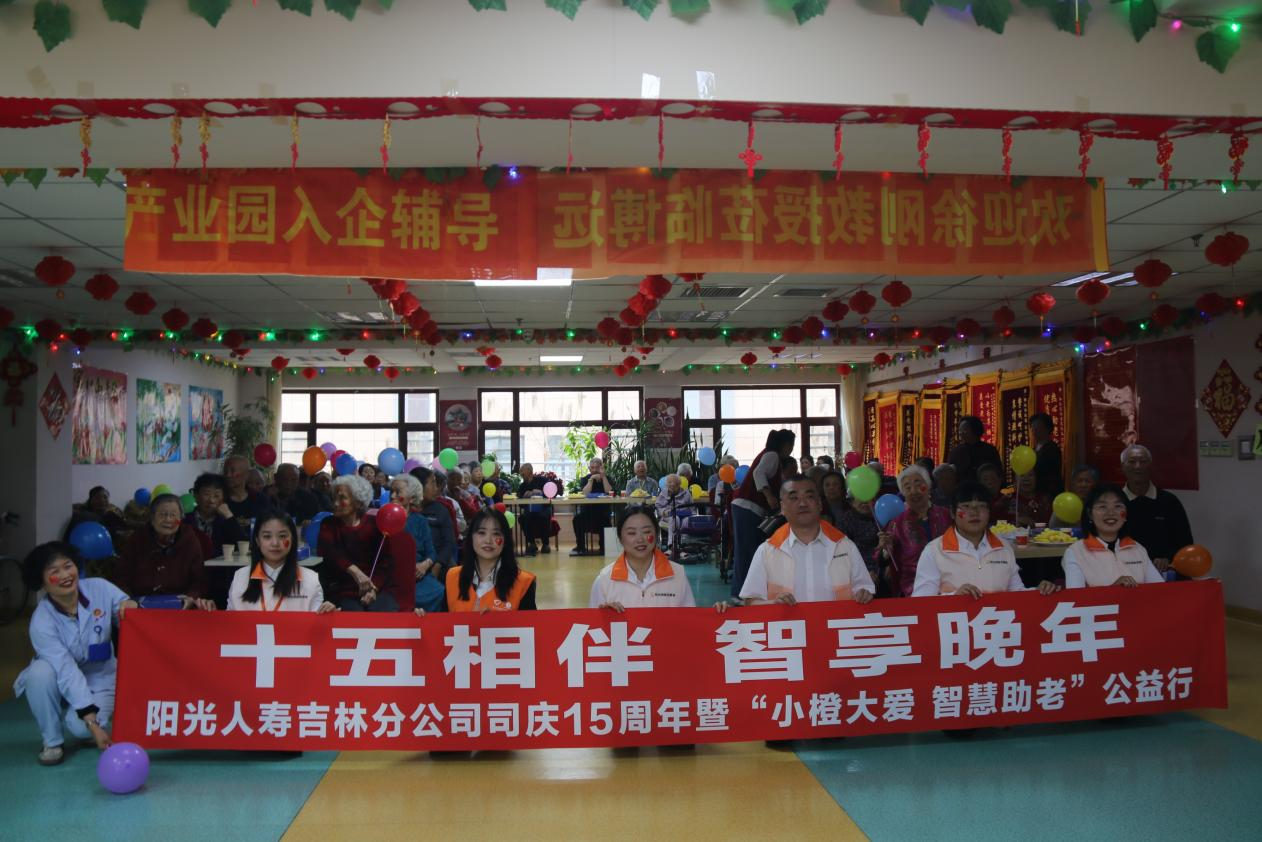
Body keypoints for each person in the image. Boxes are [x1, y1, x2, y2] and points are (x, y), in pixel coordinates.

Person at [14, 542, 137, 766]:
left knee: (80, 730)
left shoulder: (100, 588)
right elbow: (66, 671)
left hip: (100, 677)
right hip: (59, 677)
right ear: (40, 581)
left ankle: (81, 719)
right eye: (54, 571)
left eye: (68, 566)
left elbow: (130, 616)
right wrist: (92, 722)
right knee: (39, 673)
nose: (65, 575)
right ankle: (52, 741)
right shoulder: (41, 622)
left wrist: (130, 605)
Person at [727, 475, 874, 607]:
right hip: (786, 629)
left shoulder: (845, 546)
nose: (802, 503)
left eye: (809, 497)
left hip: (835, 628)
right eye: (794, 498)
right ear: (783, 507)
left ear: (820, 504)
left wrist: (863, 594)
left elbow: (865, 589)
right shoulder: (767, 550)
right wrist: (773, 604)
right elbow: (751, 601)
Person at [912, 481, 1061, 598]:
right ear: (952, 513)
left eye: (981, 507)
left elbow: (1016, 593)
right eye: (966, 507)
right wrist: (954, 597)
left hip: (994, 624)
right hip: (955, 626)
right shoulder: (935, 550)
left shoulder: (1003, 547)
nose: (974, 513)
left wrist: (1039, 591)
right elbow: (920, 601)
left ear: (989, 512)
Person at [114, 494, 213, 610]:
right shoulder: (137, 539)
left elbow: (199, 580)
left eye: (173, 515)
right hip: (141, 604)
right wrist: (127, 599)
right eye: (162, 514)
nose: (168, 520)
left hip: (180, 605)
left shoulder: (190, 539)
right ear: (152, 518)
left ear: (181, 519)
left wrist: (191, 597)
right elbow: (121, 578)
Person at [730, 428, 796, 600]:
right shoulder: (772, 455)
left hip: (747, 508)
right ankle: (740, 593)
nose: (791, 450)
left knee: (747, 550)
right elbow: (758, 473)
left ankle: (742, 592)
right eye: (791, 445)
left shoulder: (770, 456)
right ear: (786, 445)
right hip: (748, 507)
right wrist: (769, 496)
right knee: (746, 551)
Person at [316, 475, 399, 612]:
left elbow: (386, 563)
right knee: (352, 614)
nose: (335, 503)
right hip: (343, 589)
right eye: (334, 498)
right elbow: (330, 552)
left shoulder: (375, 524)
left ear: (359, 502)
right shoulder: (329, 524)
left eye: (342, 498)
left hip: (377, 588)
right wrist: (356, 573)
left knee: (385, 612)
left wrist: (374, 588)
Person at [591, 507, 696, 610]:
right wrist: (604, 617)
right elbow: (592, 620)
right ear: (620, 538)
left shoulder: (678, 575)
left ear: (656, 534)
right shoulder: (604, 580)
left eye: (646, 531)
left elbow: (691, 618)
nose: (640, 539)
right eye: (631, 533)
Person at [228, 513, 336, 612]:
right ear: (257, 541)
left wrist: (328, 613)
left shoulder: (310, 580)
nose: (275, 543)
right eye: (267, 536)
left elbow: (316, 622)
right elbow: (230, 622)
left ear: (292, 540)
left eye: (282, 536)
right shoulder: (240, 578)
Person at [1062, 484, 1163, 588]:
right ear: (1089, 514)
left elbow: (1159, 589)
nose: (1111, 513)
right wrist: (1113, 589)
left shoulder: (1137, 548)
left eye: (1118, 506)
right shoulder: (1075, 552)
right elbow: (1076, 595)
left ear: (1126, 513)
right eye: (1102, 507)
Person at [442, 509, 537, 612]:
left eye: (496, 534)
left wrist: (502, 620)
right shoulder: (452, 577)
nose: (488, 540)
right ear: (471, 537)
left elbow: (531, 622)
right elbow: (442, 621)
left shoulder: (523, 582)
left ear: (505, 540)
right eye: (481, 533)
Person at [881, 465, 953, 597]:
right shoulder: (897, 523)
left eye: (918, 485)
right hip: (914, 587)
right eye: (907, 488)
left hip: (950, 583)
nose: (914, 491)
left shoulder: (947, 515)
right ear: (903, 493)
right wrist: (885, 548)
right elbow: (884, 555)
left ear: (928, 487)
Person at [1120, 444, 1193, 574]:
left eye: (1143, 461)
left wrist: (1168, 558)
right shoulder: (1115, 502)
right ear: (1123, 467)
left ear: (1151, 466)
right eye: (1132, 462)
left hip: (1165, 572)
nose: (1138, 466)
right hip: (1124, 571)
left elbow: (1185, 542)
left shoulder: (1169, 501)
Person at [390, 473, 445, 613]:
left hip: (417, 575)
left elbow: (431, 552)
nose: (392, 496)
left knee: (440, 591)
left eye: (398, 492)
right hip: (393, 576)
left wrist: (424, 565)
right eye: (391, 491)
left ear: (412, 498)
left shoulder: (420, 521)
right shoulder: (385, 519)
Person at [183, 472, 247, 560]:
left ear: (223, 498)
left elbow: (244, 545)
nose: (211, 500)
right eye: (206, 494)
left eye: (216, 496)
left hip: (218, 567)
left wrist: (229, 517)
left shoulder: (226, 522)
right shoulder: (185, 521)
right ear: (196, 496)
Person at [410, 466, 458, 567]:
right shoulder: (405, 510)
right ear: (419, 486)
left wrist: (438, 565)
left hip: (439, 562)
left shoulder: (441, 510)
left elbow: (449, 542)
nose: (436, 489)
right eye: (433, 483)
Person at [571, 457, 614, 557]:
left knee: (605, 520)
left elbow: (609, 492)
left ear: (601, 468)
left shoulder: (607, 478)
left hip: (602, 511)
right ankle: (581, 546)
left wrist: (603, 477)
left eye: (597, 467)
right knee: (577, 520)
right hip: (587, 511)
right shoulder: (585, 479)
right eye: (592, 467)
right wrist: (591, 479)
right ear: (589, 468)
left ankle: (604, 547)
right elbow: (585, 493)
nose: (594, 470)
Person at [837, 492, 882, 586]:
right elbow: (842, 554)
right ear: (852, 502)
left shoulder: (881, 517)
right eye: (860, 497)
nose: (864, 501)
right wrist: (864, 573)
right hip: (855, 572)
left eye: (868, 496)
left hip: (880, 568)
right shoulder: (846, 520)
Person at [946, 415, 1004, 484]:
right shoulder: (956, 452)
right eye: (960, 430)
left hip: (984, 488)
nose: (961, 433)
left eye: (964, 430)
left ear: (975, 430)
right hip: (962, 489)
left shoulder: (989, 450)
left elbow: (998, 473)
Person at [1049, 465, 1101, 529]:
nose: (1083, 485)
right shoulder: (1065, 503)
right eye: (1079, 481)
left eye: (1087, 481)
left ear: (1095, 484)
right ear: (1073, 484)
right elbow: (1053, 529)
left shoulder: (1100, 504)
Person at [516, 463, 551, 556]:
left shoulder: (542, 480)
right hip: (529, 510)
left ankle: (545, 544)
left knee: (543, 516)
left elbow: (551, 494)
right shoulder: (522, 486)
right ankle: (532, 544)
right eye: (521, 473)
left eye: (523, 472)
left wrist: (541, 492)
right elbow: (520, 503)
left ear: (530, 472)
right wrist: (524, 496)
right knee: (523, 518)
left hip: (543, 508)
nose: (521, 474)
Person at [223, 454, 268, 524]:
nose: (228, 475)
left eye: (232, 471)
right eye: (225, 471)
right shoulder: (220, 500)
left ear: (246, 474)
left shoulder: (260, 500)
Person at [655, 473, 693, 555]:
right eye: (669, 483)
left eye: (674, 483)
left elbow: (692, 508)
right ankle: (673, 546)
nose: (672, 485)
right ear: (666, 484)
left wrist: (689, 514)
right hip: (668, 517)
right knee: (675, 519)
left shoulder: (686, 494)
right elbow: (658, 507)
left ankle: (679, 547)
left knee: (682, 521)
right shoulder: (663, 494)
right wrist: (664, 512)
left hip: (684, 516)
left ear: (679, 484)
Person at [1030, 413, 1064, 496]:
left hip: (1048, 493)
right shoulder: (1034, 449)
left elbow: (1051, 476)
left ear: (1047, 429)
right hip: (1036, 492)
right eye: (1033, 427)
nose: (1034, 431)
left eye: (1038, 427)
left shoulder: (1052, 449)